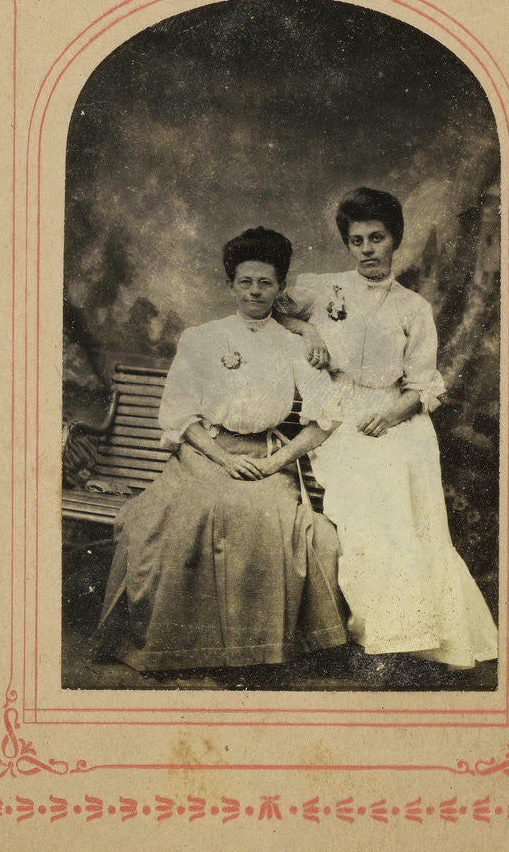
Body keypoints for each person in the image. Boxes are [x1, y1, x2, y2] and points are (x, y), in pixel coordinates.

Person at [94, 227, 346, 674]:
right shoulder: (201, 338)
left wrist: (272, 463)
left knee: (263, 521)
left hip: (266, 456)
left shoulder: (293, 346)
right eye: (245, 281)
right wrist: (224, 458)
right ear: (230, 283)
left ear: (279, 289)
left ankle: (254, 656)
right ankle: (179, 650)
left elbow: (325, 417)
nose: (254, 291)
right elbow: (181, 415)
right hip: (204, 454)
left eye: (265, 282)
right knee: (183, 515)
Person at [277, 187, 498, 669]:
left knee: (405, 512)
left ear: (394, 239)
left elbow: (424, 386)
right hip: (341, 417)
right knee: (370, 509)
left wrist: (393, 414)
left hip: (398, 419)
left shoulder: (412, 307)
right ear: (348, 245)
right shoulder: (325, 289)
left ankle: (417, 634)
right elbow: (273, 306)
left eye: (377, 238)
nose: (367, 250)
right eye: (357, 241)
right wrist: (311, 332)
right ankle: (381, 634)